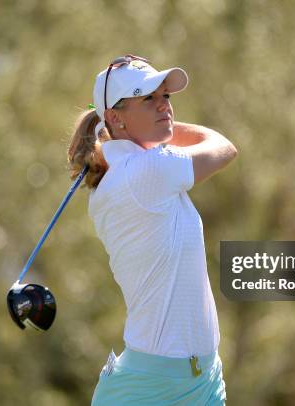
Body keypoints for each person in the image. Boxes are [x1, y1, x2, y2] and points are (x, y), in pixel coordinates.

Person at [67, 54, 237, 405]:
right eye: (149, 99)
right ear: (115, 116)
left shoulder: (134, 168)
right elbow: (223, 147)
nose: (165, 107)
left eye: (167, 98)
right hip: (150, 389)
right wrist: (161, 131)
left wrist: (140, 124)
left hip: (205, 379)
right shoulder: (143, 172)